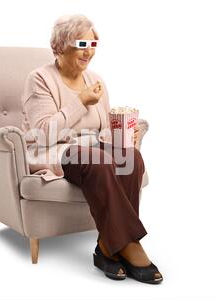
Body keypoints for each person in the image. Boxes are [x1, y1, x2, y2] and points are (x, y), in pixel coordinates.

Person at [21, 14, 162, 284]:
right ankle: (130, 243)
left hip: (92, 148)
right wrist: (80, 101)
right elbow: (43, 135)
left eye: (93, 43)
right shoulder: (39, 79)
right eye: (82, 43)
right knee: (96, 157)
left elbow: (103, 131)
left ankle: (108, 248)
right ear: (62, 44)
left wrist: (124, 135)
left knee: (129, 157)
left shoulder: (95, 79)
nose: (89, 51)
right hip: (57, 150)